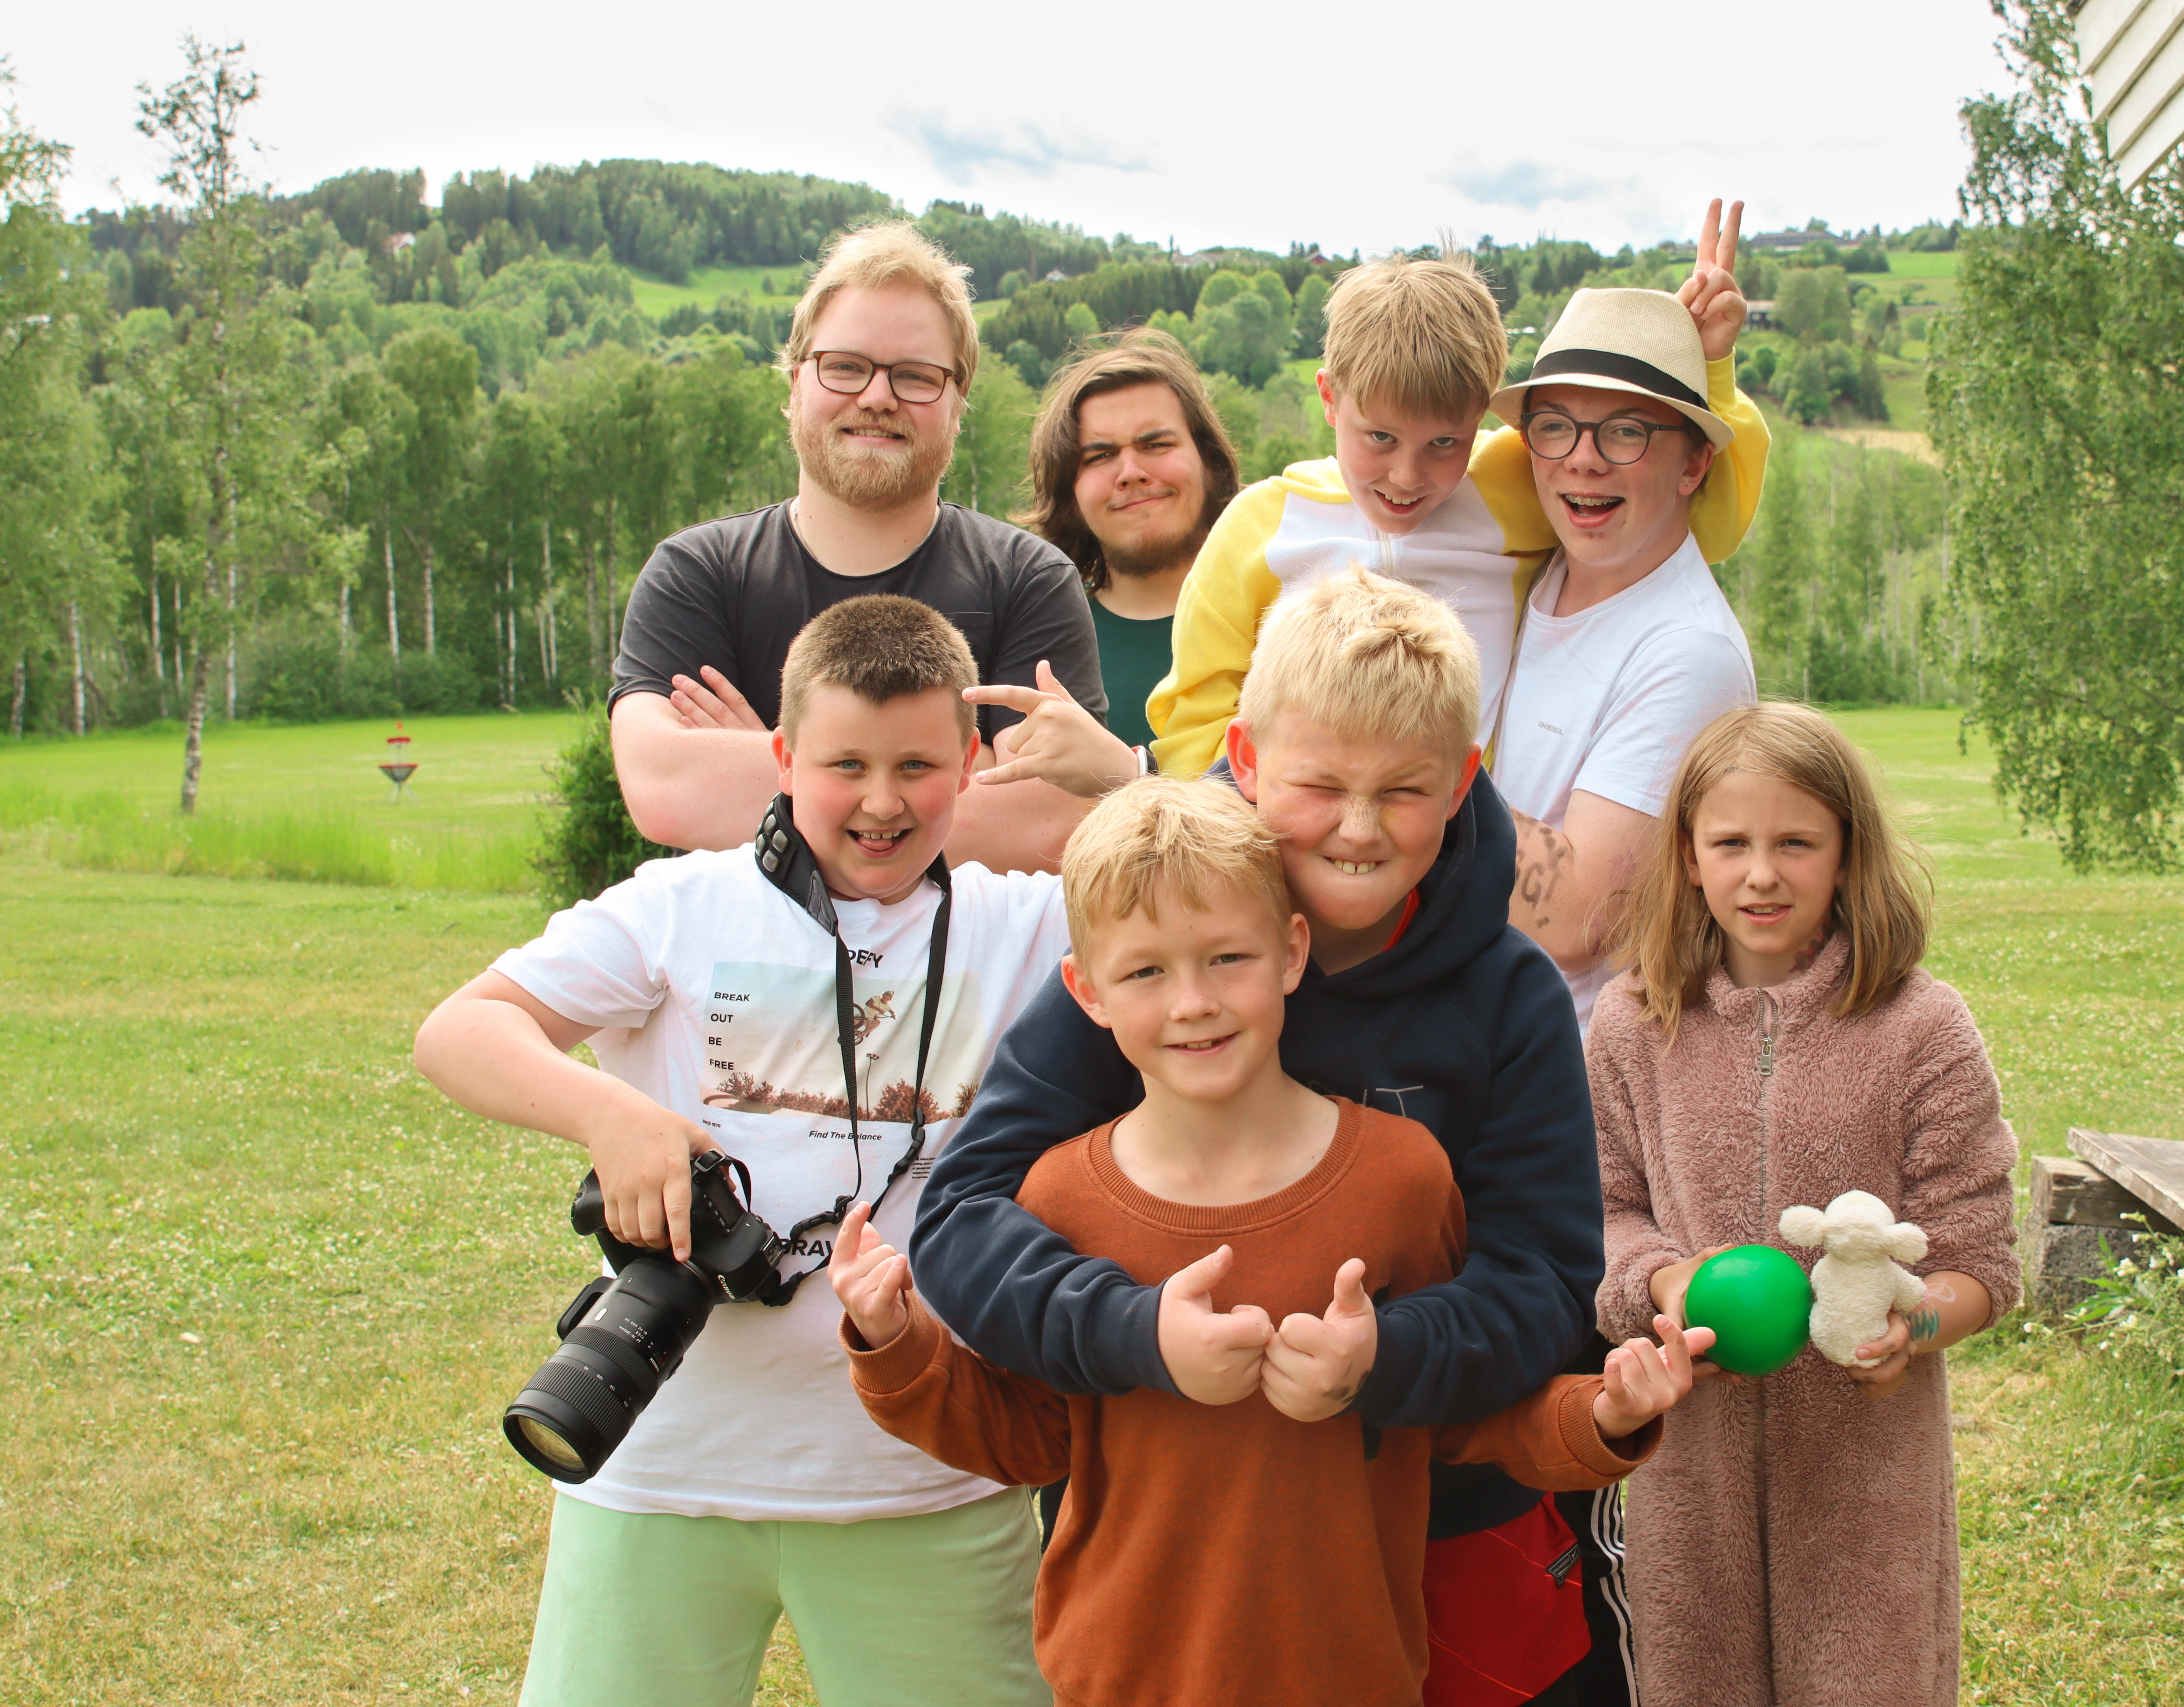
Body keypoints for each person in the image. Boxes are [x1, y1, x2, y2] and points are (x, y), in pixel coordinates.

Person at [829, 776, 1712, 1707]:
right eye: (1145, 972)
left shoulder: (1401, 1178)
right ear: (1085, 990)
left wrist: (1603, 1414)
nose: (1193, 1002)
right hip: (1120, 1678)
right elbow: (1034, 1435)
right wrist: (898, 1348)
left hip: (1352, 1673)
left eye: (1226, 957)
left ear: (1292, 952)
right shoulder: (1060, 1195)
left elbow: (1467, 1417)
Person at [915, 567, 1613, 1706]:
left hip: (1453, 1526)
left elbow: (1545, 1284)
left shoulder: (1510, 997)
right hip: (1187, 1542)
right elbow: (961, 1218)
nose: (1356, 825)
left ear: (1463, 783)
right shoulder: (1164, 956)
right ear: (1244, 758)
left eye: (1403, 791)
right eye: (1319, 784)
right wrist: (1134, 1333)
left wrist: (1386, 1356)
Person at [412, 595, 1076, 1707]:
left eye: (919, 765)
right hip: (662, 1463)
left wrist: (1115, 776)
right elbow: (458, 1033)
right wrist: (610, 1116)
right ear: (779, 755)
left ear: (972, 764)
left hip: (925, 1476)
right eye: (843, 764)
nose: (880, 801)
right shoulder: (679, 908)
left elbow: (1231, 884)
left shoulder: (1031, 922)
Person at [1587, 702, 2019, 1707]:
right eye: (1730, 842)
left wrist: (1910, 1326)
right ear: (1688, 856)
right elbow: (1601, 1212)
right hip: (1687, 1471)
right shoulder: (1630, 1022)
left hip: (1868, 1477)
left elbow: (1982, 1262)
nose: (1762, 872)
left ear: (1845, 851)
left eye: (1795, 841)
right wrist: (1666, 1274)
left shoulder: (1922, 1026)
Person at [1144, 203, 1767, 782]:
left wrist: (1702, 372)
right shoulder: (1261, 528)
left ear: (1482, 419)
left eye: (1445, 443)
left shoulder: (1511, 486)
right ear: (1331, 398)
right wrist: (1250, 830)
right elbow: (1195, 709)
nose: (1408, 477)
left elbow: (1691, 520)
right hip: (1301, 847)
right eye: (1381, 437)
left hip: (1467, 859)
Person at [608, 219, 1103, 871]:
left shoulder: (1028, 582)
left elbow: (1045, 822)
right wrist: (950, 773)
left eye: (916, 376)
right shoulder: (697, 575)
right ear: (795, 384)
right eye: (844, 368)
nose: (877, 397)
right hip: (741, 973)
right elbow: (665, 791)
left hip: (960, 973)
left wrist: (776, 766)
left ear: (958, 403)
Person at [1486, 233, 1767, 1030]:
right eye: (1557, 427)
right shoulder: (1535, 570)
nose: (1582, 461)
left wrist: (1406, 767)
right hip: (1480, 1068)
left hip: (1568, 1107)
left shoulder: (1687, 652)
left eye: (1626, 433)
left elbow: (1580, 919)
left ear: (1694, 467)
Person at [1015, 328, 1241, 750]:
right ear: (1070, 492)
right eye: (1100, 456)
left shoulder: (1284, 617)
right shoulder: (1038, 640)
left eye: (1155, 444)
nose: (1131, 471)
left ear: (1209, 462)